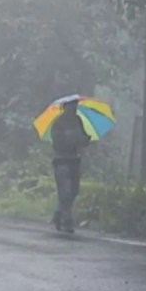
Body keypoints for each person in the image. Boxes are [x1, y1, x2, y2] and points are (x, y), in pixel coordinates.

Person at [50, 99, 90, 233]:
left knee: (74, 191)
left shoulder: (78, 120)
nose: (74, 109)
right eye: (72, 106)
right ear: (65, 107)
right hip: (61, 160)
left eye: (76, 106)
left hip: (74, 160)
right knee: (65, 191)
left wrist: (84, 139)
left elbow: (83, 138)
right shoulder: (58, 123)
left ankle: (58, 212)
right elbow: (57, 143)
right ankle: (66, 220)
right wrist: (70, 138)